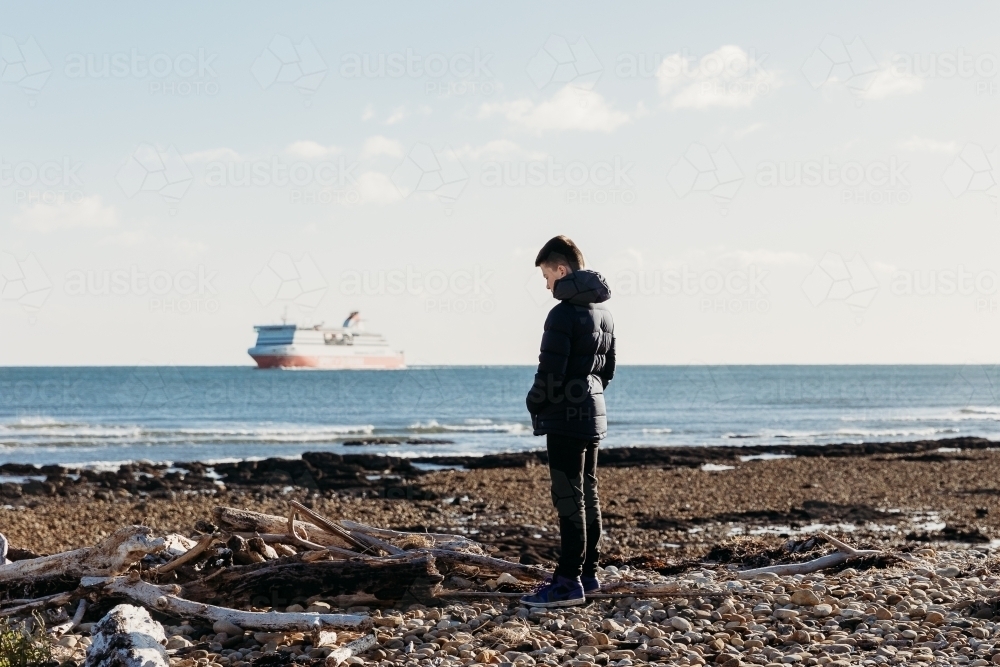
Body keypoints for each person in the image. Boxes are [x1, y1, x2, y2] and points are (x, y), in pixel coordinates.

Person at [520, 235, 616, 608]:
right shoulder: (604, 313)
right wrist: (588, 395)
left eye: (547, 277)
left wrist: (534, 401)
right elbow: (607, 371)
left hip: (564, 417)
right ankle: (588, 575)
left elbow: (550, 372)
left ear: (561, 269)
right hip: (592, 413)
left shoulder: (561, 313)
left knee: (567, 498)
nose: (547, 285)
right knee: (587, 494)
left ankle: (566, 584)